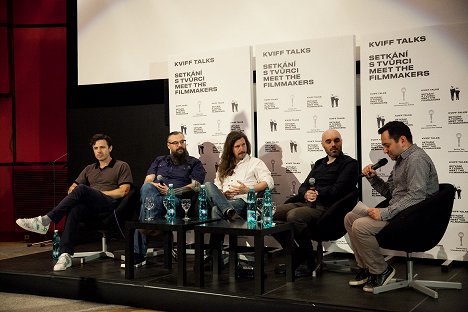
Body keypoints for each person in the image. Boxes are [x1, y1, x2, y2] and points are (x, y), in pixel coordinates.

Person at [16, 134, 133, 271]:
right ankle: (65, 254)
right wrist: (84, 194)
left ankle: (45, 221)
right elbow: (72, 189)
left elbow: (123, 191)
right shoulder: (89, 168)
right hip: (91, 208)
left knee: (82, 189)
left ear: (110, 148)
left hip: (110, 205)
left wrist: (94, 193)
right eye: (95, 148)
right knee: (75, 209)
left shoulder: (121, 166)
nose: (99, 151)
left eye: (102, 147)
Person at [345, 121, 438, 292]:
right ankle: (367, 268)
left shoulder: (417, 159)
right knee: (350, 218)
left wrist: (385, 212)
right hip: (400, 213)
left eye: (387, 145)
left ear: (402, 140)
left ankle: (382, 270)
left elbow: (416, 196)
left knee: (359, 225)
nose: (385, 151)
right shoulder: (400, 161)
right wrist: (373, 178)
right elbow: (391, 194)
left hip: (413, 218)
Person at [273, 129, 359, 277]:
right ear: (323, 145)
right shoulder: (320, 163)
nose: (333, 144)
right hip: (307, 204)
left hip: (329, 209)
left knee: (294, 216)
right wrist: (306, 193)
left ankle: (308, 260)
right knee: (273, 214)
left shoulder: (349, 164)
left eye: (336, 140)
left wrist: (317, 192)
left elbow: (337, 190)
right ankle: (295, 254)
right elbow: (303, 187)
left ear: (341, 142)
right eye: (329, 141)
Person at [131, 131, 205, 266]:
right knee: (147, 189)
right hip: (156, 197)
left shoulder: (194, 163)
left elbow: (196, 186)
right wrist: (154, 186)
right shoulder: (159, 160)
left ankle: (141, 247)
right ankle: (151, 222)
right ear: (168, 145)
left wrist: (171, 191)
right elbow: (147, 181)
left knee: (145, 208)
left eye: (182, 142)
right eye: (175, 143)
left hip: (179, 201)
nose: (180, 145)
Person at [205, 130, 274, 221]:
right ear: (230, 149)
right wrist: (222, 194)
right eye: (237, 146)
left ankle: (229, 212)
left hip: (244, 202)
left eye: (243, 144)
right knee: (207, 185)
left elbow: (269, 182)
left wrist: (248, 190)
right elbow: (217, 187)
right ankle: (230, 212)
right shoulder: (223, 166)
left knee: (216, 210)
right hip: (226, 201)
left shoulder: (255, 162)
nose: (242, 149)